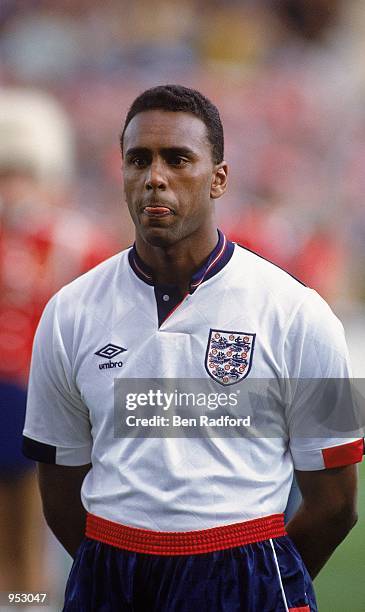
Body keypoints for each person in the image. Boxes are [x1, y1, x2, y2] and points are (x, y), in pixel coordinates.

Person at [22, 85, 363, 611]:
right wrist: (117, 569)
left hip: (244, 575)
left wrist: (261, 580)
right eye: (139, 160)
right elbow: (60, 489)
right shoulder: (68, 313)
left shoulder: (301, 312)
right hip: (112, 578)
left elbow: (337, 503)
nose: (155, 176)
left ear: (219, 177)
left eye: (178, 159)